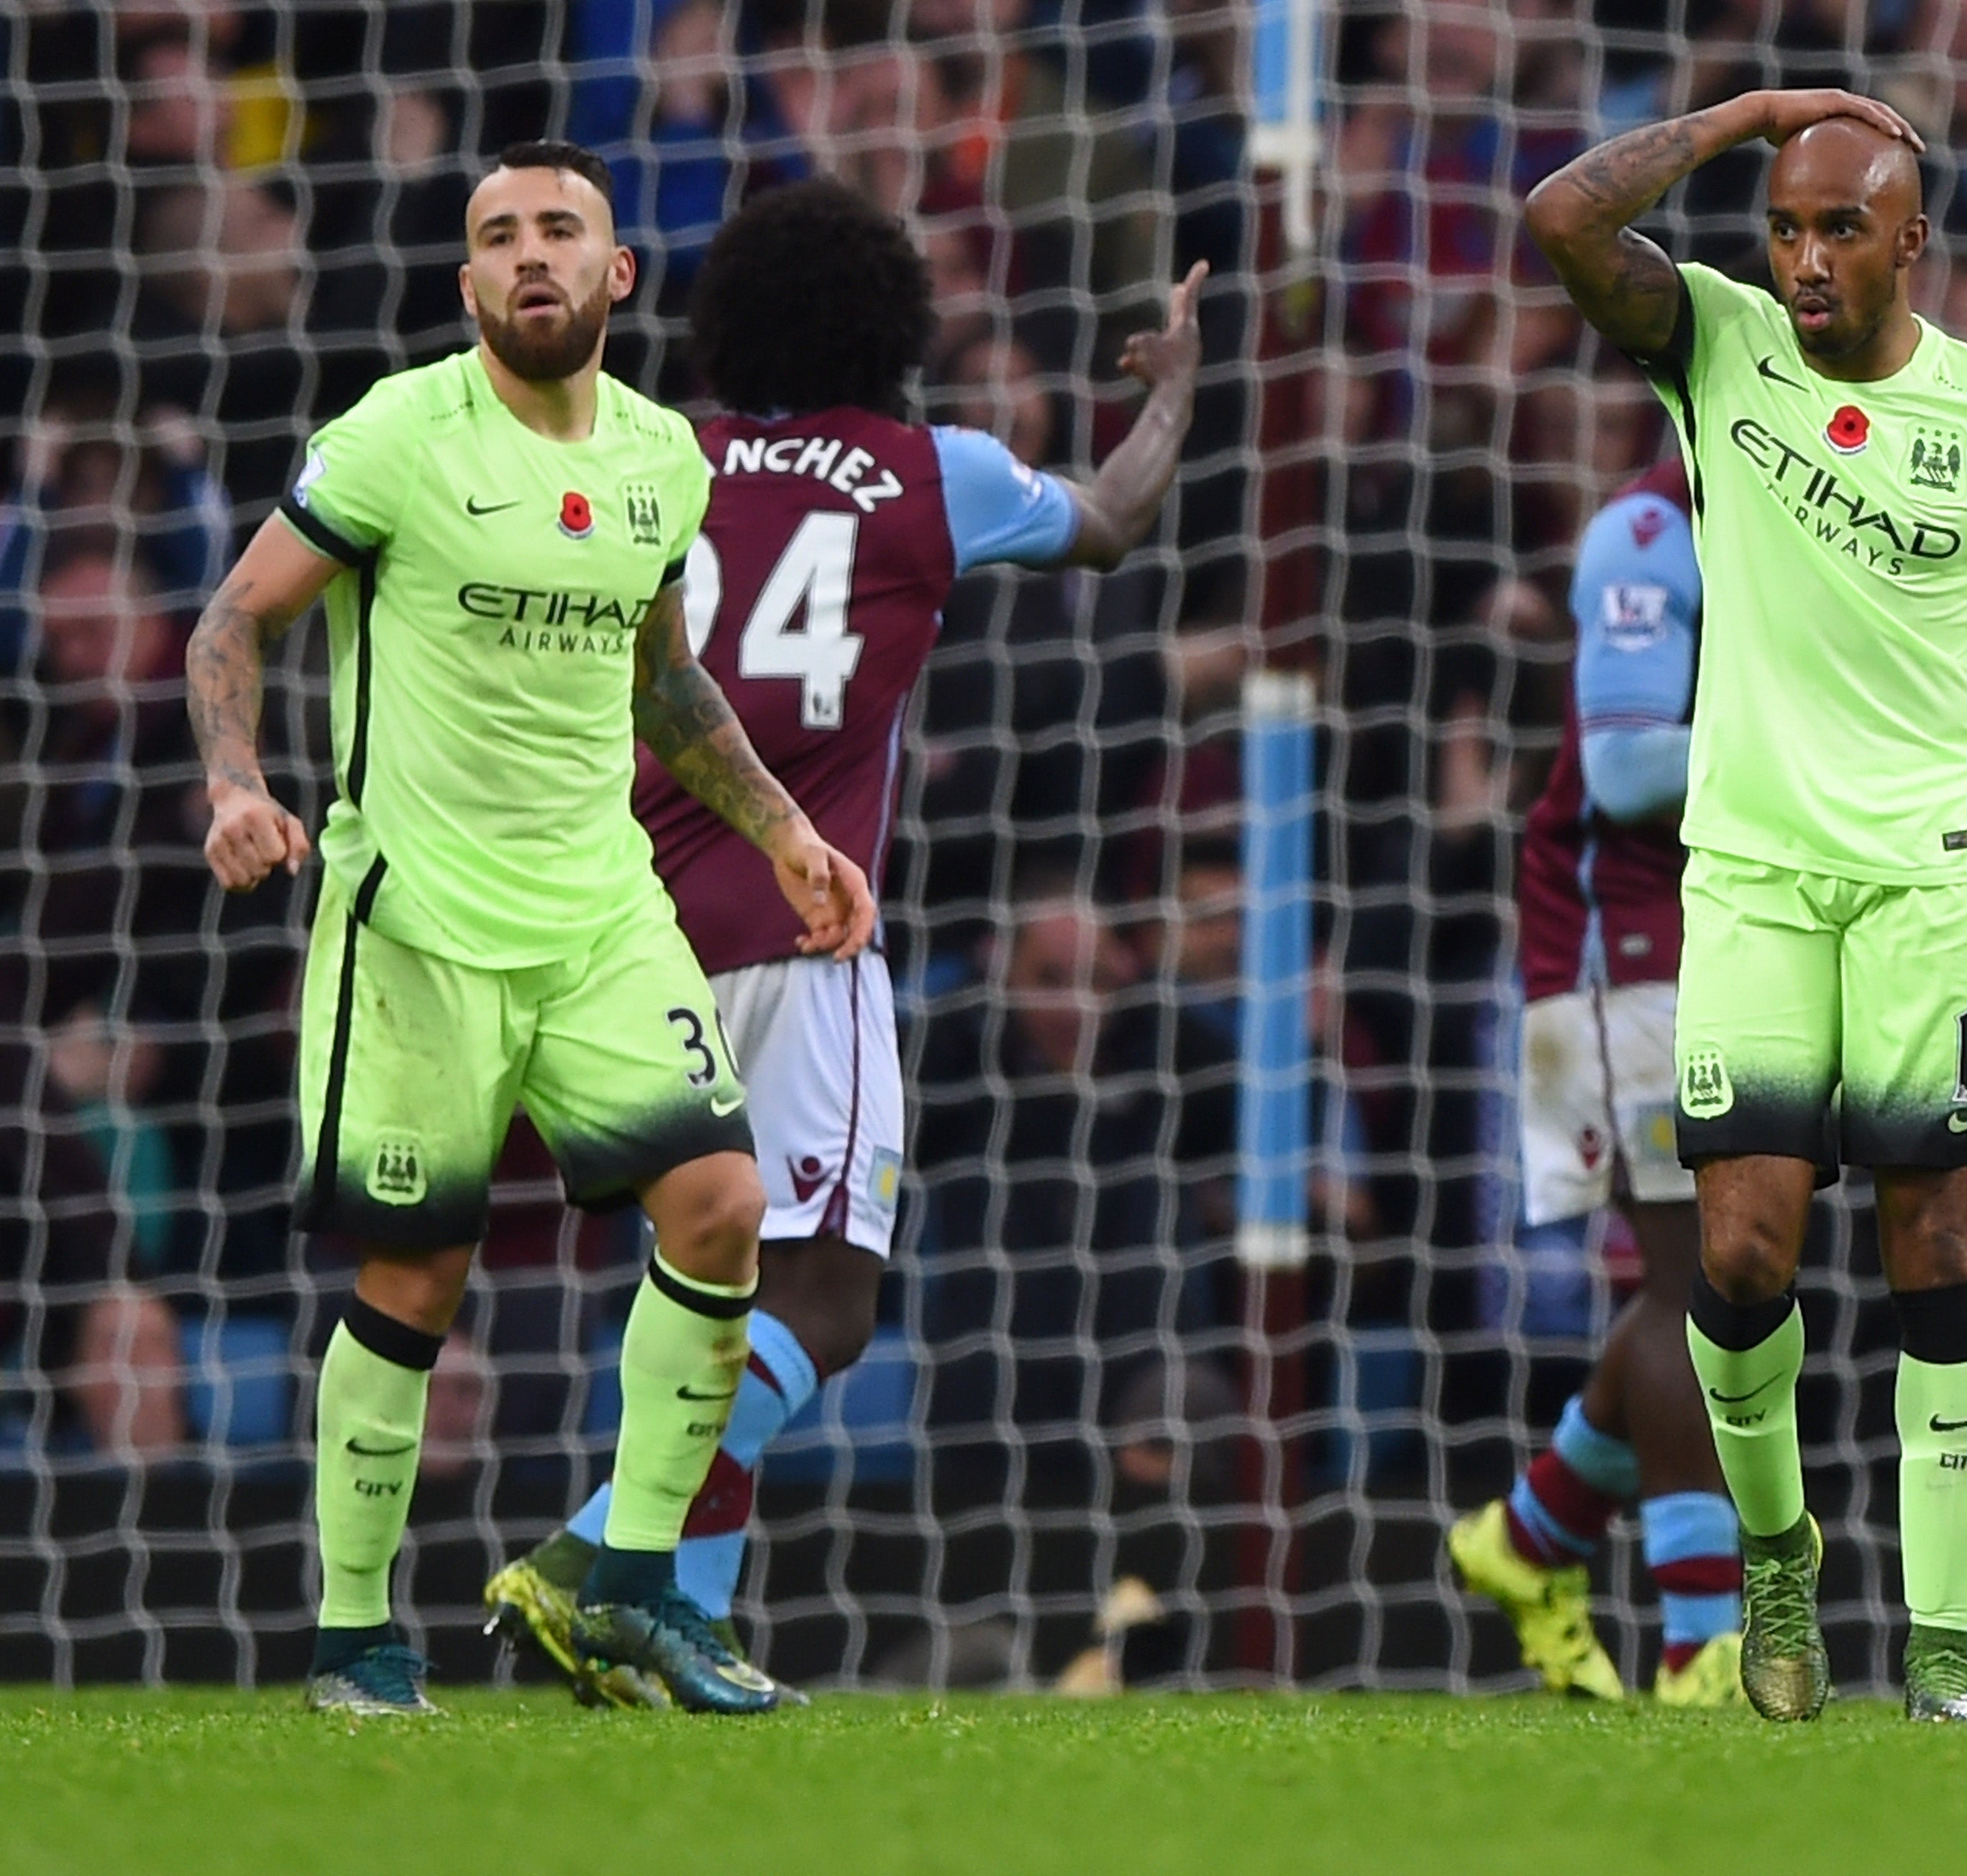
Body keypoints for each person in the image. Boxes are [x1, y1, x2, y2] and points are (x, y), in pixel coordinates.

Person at [478, 179, 1207, 1701]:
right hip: (804, 933)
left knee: (709, 1289)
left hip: (625, 941)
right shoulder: (932, 473)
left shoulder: (651, 456)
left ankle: (681, 1625)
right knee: (829, 1298)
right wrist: (1174, 393)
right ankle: (598, 1555)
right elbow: (1115, 519)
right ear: (893, 326)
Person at [183, 142, 880, 1718]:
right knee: (418, 1274)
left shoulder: (661, 461)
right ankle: (354, 1637)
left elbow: (666, 676)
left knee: (724, 1208)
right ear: (469, 284)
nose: (529, 255)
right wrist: (235, 782)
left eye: (559, 228)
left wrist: (785, 830)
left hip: (599, 911)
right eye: (497, 236)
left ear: (616, 272)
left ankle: (630, 1587)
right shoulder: (398, 437)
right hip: (417, 924)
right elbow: (236, 615)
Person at [1519, 87, 1967, 1724]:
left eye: (1838, 228)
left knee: (1937, 1234)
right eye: (1785, 228)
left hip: (1933, 878)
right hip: (1750, 874)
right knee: (1740, 1247)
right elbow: (1562, 220)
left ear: (1911, 242)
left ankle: (1942, 1643)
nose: (1803, 259)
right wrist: (1749, 114)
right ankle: (1778, 1555)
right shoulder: (1718, 345)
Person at [1441, 457, 1748, 1708]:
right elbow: (1622, 772)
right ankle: (1699, 1646)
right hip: (1615, 955)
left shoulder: (1786, 519)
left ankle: (1527, 1538)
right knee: (1698, 1288)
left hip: (1711, 948)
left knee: (1724, 1278)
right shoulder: (1649, 529)